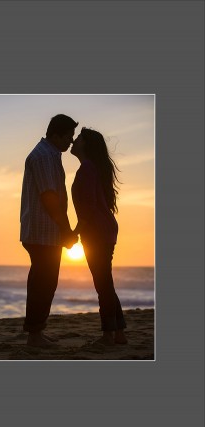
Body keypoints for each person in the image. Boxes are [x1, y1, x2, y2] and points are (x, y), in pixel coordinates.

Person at [19, 114, 79, 347]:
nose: (70, 142)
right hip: (43, 231)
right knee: (43, 282)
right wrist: (65, 229)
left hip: (43, 231)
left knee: (43, 281)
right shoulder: (44, 157)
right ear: (56, 135)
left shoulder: (49, 154)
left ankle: (36, 332)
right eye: (68, 137)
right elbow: (49, 196)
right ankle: (35, 335)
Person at [70, 128, 127, 345]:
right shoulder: (91, 168)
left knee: (102, 283)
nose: (74, 141)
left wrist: (74, 232)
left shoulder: (86, 169)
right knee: (105, 282)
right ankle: (118, 333)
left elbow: (88, 207)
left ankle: (108, 335)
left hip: (96, 232)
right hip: (103, 230)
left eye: (79, 138)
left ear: (86, 145)